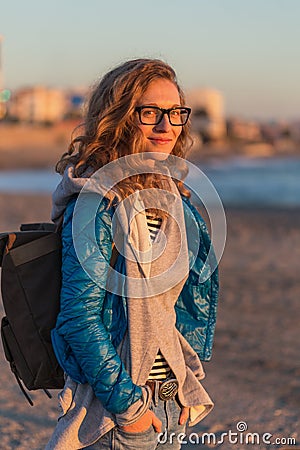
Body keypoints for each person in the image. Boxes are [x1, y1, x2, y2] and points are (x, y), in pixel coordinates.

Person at [46, 58, 219, 450]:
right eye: (150, 113)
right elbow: (79, 317)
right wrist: (131, 409)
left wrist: (185, 378)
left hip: (171, 399)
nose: (166, 126)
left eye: (175, 113)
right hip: (119, 410)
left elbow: (172, 310)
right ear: (120, 118)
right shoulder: (96, 202)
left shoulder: (173, 198)